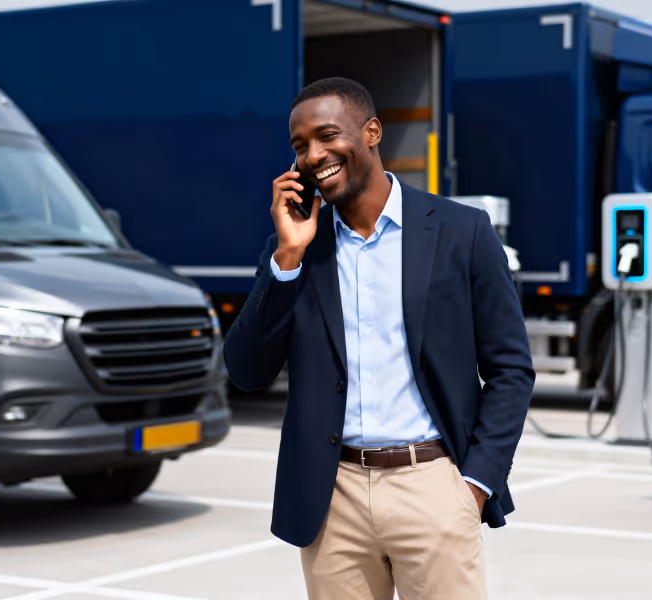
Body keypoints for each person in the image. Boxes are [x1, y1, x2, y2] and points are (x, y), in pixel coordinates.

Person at [222, 77, 534, 600]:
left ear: (371, 132)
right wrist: (288, 259)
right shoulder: (298, 249)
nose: (313, 155)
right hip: (331, 497)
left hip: (433, 484)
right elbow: (247, 372)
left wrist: (475, 485)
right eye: (300, 146)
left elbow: (511, 368)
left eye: (326, 136)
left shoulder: (463, 231)